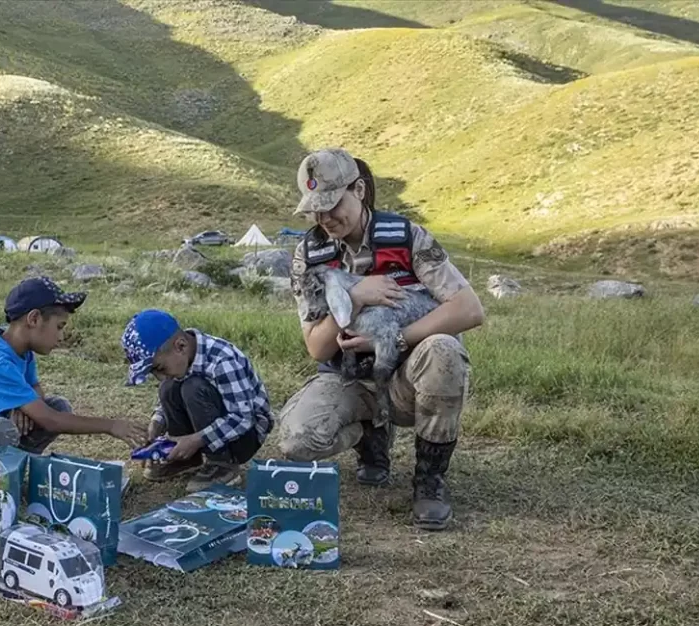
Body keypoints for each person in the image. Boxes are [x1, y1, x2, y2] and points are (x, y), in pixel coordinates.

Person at [279, 147, 485, 531]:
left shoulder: (408, 238)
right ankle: (371, 434)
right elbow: (316, 347)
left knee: (444, 351)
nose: (325, 218)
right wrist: (354, 296)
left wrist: (396, 341)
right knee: (297, 441)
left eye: (332, 204)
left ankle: (429, 480)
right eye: (315, 209)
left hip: (408, 380)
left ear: (358, 190)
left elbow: (468, 309)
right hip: (349, 378)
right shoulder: (309, 254)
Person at [0, 276, 149, 455]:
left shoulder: (18, 348)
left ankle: (12, 468)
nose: (61, 337)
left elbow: (36, 389)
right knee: (2, 429)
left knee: (58, 405)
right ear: (34, 319)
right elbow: (50, 420)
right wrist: (111, 426)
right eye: (59, 327)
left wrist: (18, 406)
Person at [121, 309, 273, 491]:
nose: (160, 376)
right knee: (168, 387)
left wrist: (195, 440)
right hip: (210, 430)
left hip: (245, 437)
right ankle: (186, 459)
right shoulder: (181, 359)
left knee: (193, 388)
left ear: (181, 346)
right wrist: (156, 424)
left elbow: (243, 418)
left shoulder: (222, 360)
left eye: (160, 368)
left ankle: (222, 464)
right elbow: (165, 402)